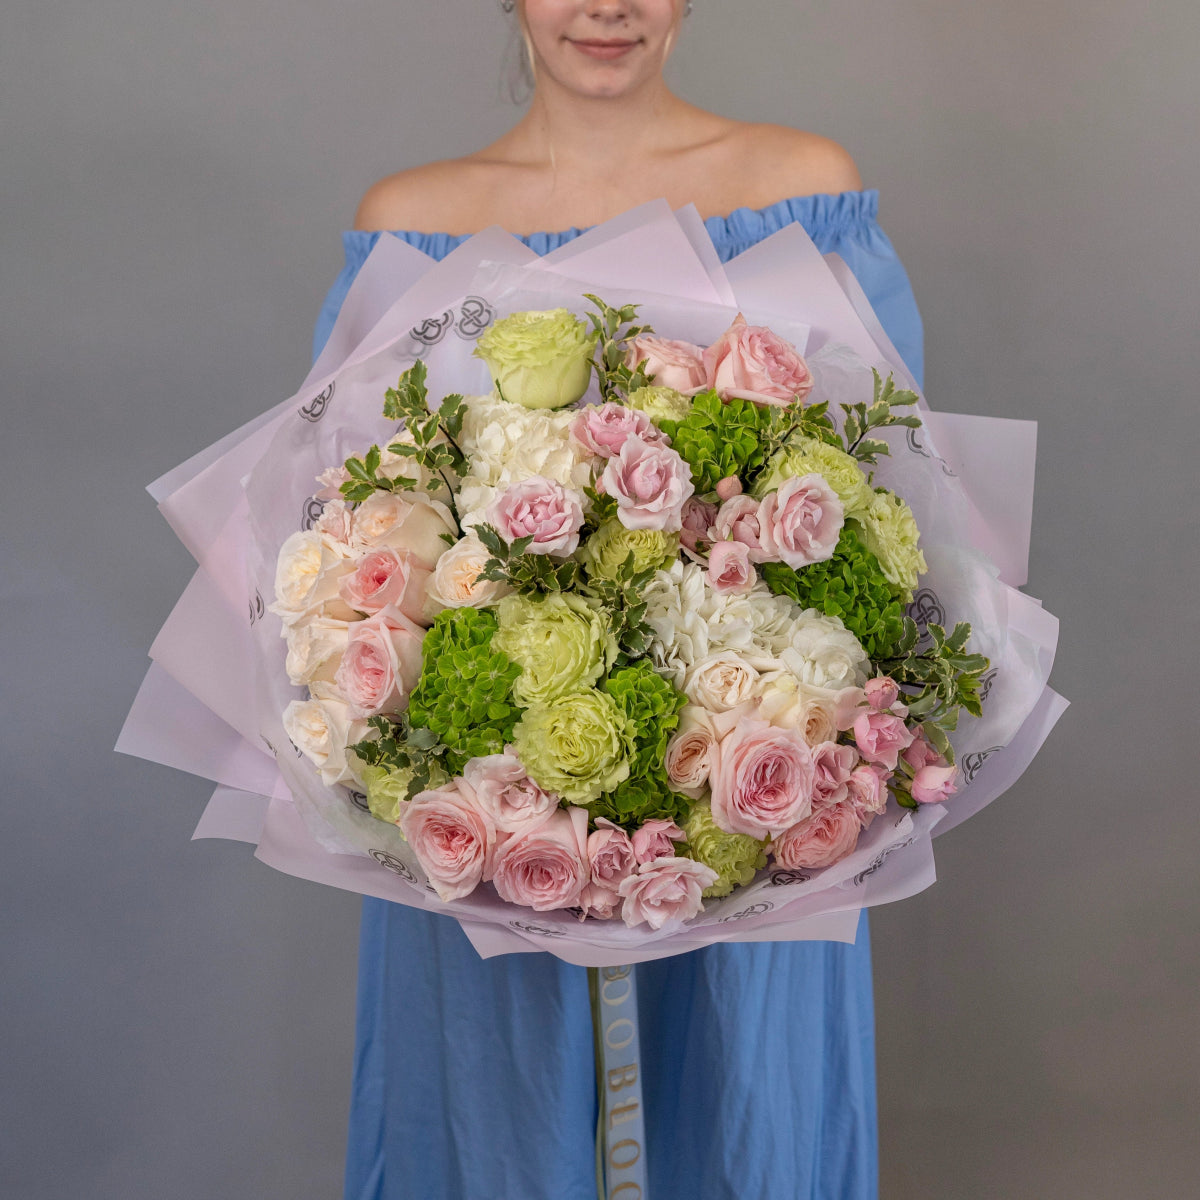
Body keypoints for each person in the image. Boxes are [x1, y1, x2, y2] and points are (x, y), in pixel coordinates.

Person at [314, 3, 923, 1198]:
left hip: (747, 804)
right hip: (490, 824)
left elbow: (900, 526)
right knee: (491, 1119)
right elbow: (349, 528)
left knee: (750, 1111)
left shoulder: (804, 193)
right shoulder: (411, 229)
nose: (607, 5)